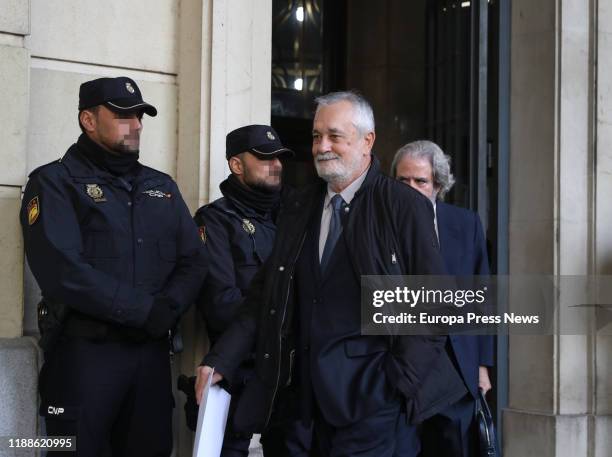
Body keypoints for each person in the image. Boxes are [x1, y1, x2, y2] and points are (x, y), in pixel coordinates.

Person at [196, 91, 467, 457]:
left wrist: (396, 384)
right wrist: (220, 360)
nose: (322, 146)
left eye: (335, 136)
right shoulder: (298, 206)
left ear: (367, 140)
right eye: (316, 136)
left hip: (373, 408)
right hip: (298, 409)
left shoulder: (403, 207)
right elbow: (266, 295)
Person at [20, 77, 208, 457]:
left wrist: (168, 308)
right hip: (83, 357)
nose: (137, 124)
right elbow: (62, 271)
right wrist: (146, 311)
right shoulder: (53, 182)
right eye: (124, 115)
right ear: (88, 120)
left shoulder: (162, 187)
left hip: (150, 360)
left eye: (139, 115)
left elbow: (194, 260)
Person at [194, 124, 311, 456]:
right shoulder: (215, 220)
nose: (276, 165)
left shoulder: (297, 215)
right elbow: (220, 305)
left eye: (279, 158)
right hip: (240, 371)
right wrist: (283, 316)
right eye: (264, 158)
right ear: (236, 164)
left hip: (290, 375)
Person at [390, 140, 494, 457]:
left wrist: (481, 366)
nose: (410, 189)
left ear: (438, 184)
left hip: (457, 365)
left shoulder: (465, 224)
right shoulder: (377, 222)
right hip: (399, 366)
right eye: (402, 181)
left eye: (420, 181)